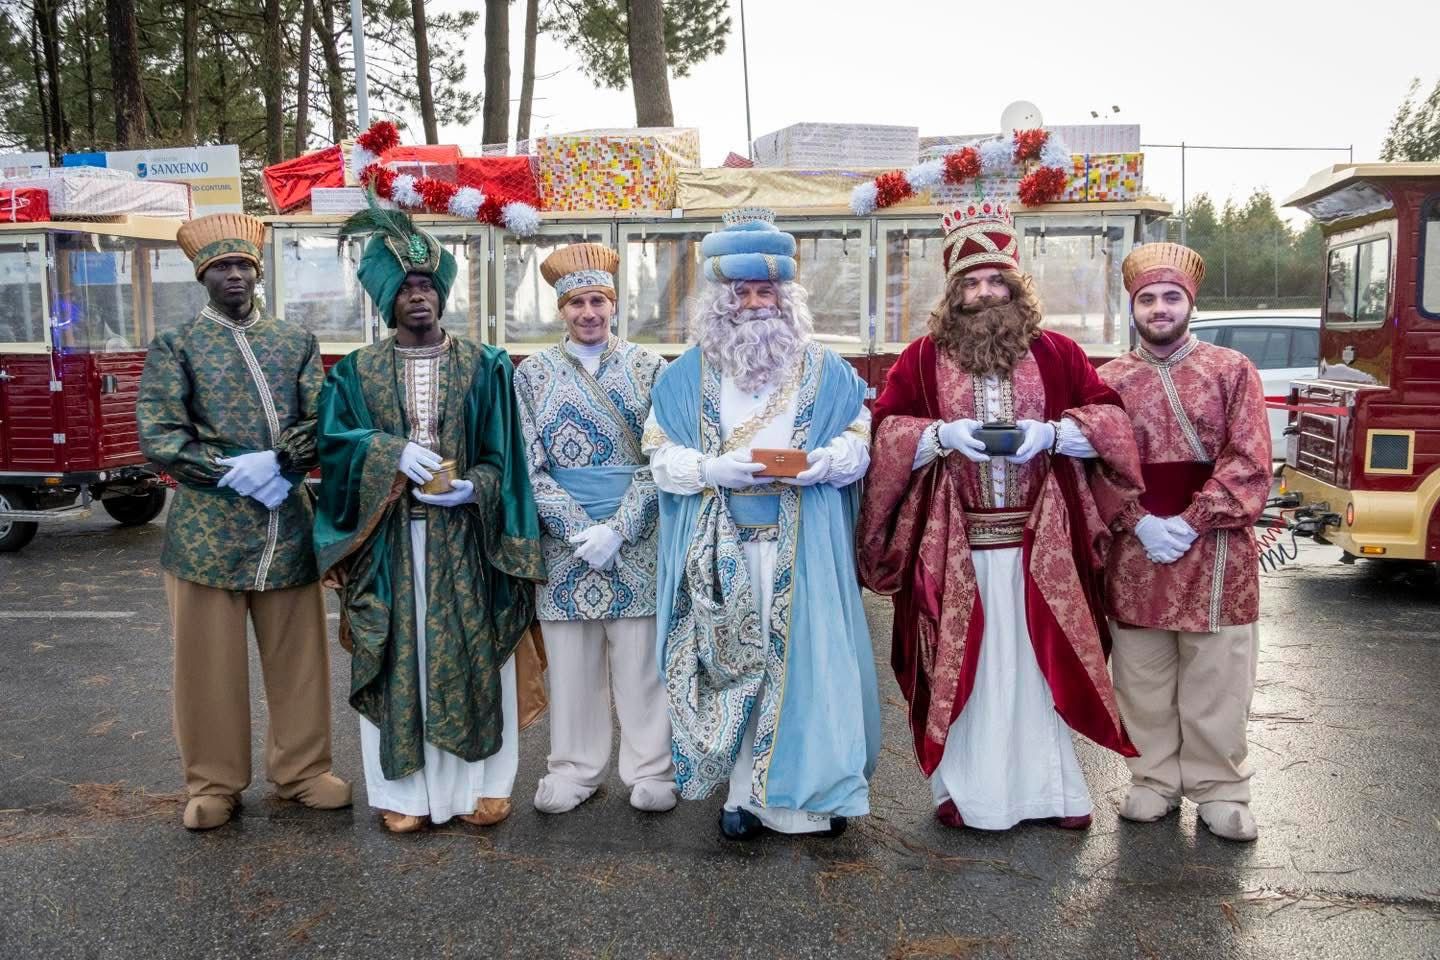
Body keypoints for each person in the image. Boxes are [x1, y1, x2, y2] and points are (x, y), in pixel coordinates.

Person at [857, 199, 1142, 832]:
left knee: (1040, 664)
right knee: (970, 664)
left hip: (1043, 543)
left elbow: (1111, 420)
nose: (986, 294)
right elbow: (887, 432)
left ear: (1016, 285)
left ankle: (1054, 791)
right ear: (954, 292)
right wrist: (937, 437)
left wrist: (1056, 434)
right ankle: (968, 792)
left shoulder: (1060, 353)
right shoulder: (921, 358)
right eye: (972, 283)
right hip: (953, 546)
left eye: (997, 280)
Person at [644, 207, 881, 840]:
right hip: (721, 551)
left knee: (809, 670)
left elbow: (861, 440)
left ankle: (816, 795)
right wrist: (713, 470)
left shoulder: (828, 372)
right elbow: (661, 457)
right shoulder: (683, 376)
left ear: (787, 296)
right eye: (742, 292)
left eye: (766, 291)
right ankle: (744, 796)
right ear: (719, 299)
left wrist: (826, 463)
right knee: (733, 669)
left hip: (803, 548)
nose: (755, 304)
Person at [313, 204, 546, 832]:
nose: (419, 297)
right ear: (387, 300)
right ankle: (404, 795)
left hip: (467, 539)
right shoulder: (356, 373)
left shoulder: (487, 365)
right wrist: (390, 452)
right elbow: (332, 445)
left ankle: (486, 787)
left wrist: (474, 488)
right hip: (389, 542)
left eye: (427, 287)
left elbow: (509, 458)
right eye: (406, 289)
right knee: (398, 659)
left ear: (441, 295)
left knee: (474, 659)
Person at [137, 212, 350, 830]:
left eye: (244, 266)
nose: (235, 276)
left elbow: (324, 419)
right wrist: (233, 470)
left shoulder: (294, 341)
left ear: (257, 273)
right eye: (222, 267)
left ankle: (303, 771)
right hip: (207, 531)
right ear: (203, 275)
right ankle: (213, 783)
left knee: (300, 660)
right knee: (207, 668)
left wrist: (282, 460)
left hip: (287, 525)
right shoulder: (177, 345)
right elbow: (159, 434)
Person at [1094, 242, 1271, 842]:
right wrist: (1137, 520)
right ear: (1134, 307)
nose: (1160, 308)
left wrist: (1192, 521)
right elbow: (1093, 469)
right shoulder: (1106, 381)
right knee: (1141, 677)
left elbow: (1249, 460)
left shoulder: (1232, 370)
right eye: (1148, 299)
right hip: (1136, 547)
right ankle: (1152, 781)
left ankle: (1221, 789)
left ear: (1190, 303)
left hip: (1216, 549)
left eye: (1171, 297)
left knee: (1217, 678)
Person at [513, 242, 676, 815]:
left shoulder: (651, 368)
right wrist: (579, 528)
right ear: (560, 310)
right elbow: (525, 465)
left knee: (639, 663)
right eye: (576, 302)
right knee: (573, 665)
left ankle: (651, 768)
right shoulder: (530, 375)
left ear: (614, 306)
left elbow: (666, 456)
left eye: (598, 301)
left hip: (635, 532)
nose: (588, 312)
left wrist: (620, 528)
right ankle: (574, 769)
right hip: (565, 541)